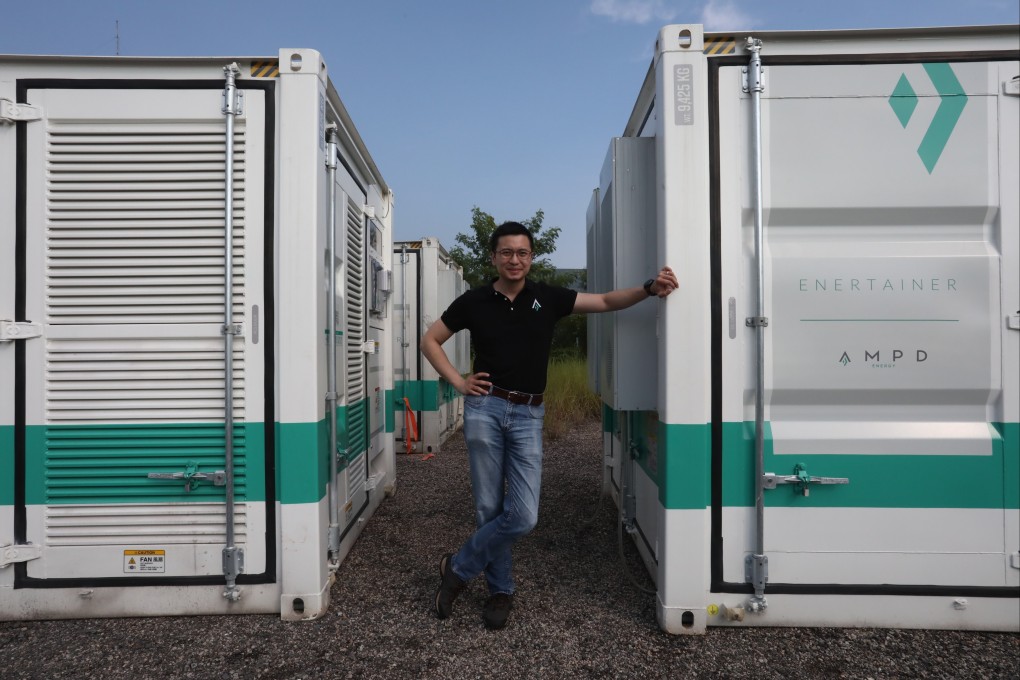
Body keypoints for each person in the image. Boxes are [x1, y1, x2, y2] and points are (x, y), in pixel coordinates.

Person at [420, 221, 678, 630]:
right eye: (506, 252)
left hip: (528, 415)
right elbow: (430, 340)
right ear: (494, 257)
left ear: (531, 257)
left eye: (522, 253)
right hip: (485, 410)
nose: (515, 260)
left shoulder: (548, 298)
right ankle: (501, 589)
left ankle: (459, 567)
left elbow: (608, 301)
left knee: (523, 515)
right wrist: (458, 381)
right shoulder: (473, 301)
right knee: (489, 507)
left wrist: (648, 288)